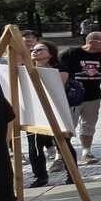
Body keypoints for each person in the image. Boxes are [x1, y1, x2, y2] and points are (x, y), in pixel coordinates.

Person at [25, 40, 78, 187]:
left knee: (63, 143)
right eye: (33, 50)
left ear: (50, 53)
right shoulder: (26, 68)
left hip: (56, 108)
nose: (35, 52)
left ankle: (72, 174)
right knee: (34, 145)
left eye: (40, 50)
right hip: (34, 110)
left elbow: (56, 87)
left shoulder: (59, 67)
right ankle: (40, 176)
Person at [57, 31, 101, 165]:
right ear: (91, 42)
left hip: (93, 96)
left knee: (89, 125)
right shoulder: (71, 54)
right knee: (68, 126)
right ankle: (60, 155)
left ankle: (86, 152)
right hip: (73, 97)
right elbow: (58, 70)